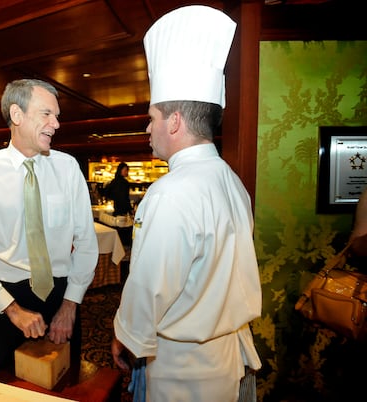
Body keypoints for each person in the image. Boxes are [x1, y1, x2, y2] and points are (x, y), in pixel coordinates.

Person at [111, 5, 262, 402]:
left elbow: (149, 289)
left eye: (152, 118)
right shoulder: (231, 181)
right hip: (227, 360)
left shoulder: (170, 192)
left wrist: (123, 337)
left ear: (174, 122)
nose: (147, 129)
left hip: (182, 372)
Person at [0, 78, 99, 373]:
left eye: (57, 116)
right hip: (7, 298)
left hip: (63, 294)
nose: (56, 123)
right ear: (17, 115)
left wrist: (71, 305)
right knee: (13, 384)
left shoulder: (68, 168)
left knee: (66, 379)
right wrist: (11, 308)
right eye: (47, 114)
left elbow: (86, 242)